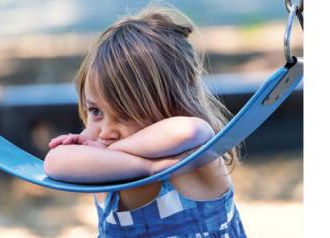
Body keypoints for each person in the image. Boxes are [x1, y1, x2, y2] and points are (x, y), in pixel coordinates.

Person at [44, 7, 246, 238]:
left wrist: (121, 155)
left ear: (173, 107)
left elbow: (192, 130)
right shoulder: (104, 166)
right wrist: (143, 166)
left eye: (125, 114)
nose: (106, 132)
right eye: (95, 111)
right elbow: (53, 162)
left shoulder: (193, 160)